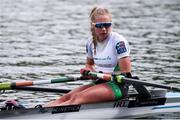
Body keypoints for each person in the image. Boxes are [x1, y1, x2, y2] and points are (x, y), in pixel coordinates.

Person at [44, 6, 131, 107]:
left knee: (78, 98)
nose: (104, 29)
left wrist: (96, 73)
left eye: (107, 25)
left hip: (117, 85)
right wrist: (88, 70)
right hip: (100, 81)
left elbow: (126, 72)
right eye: (100, 25)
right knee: (66, 98)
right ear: (93, 26)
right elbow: (89, 64)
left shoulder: (118, 42)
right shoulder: (90, 42)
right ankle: (39, 111)